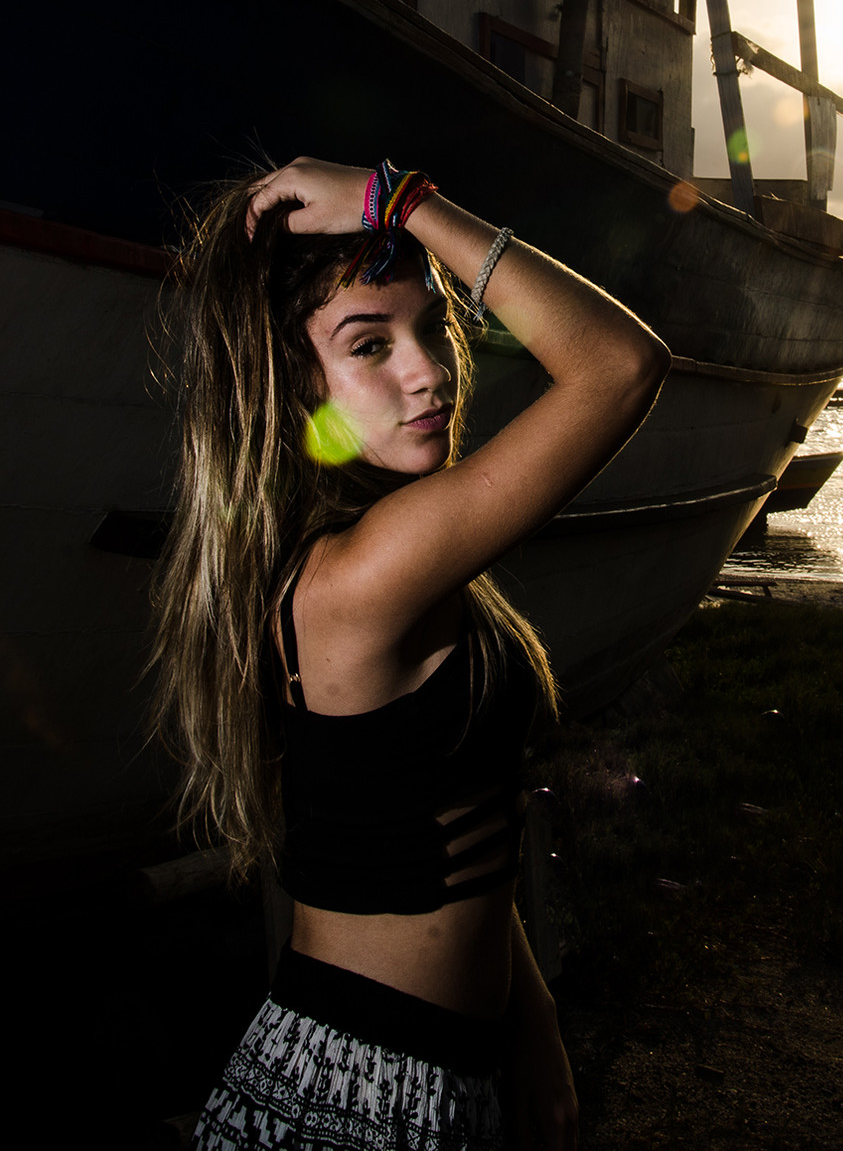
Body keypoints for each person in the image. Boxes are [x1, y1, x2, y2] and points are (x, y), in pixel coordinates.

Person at [152, 155, 670, 1150]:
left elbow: (453, 832)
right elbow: (621, 365)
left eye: (430, 327)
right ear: (294, 383)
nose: (426, 369)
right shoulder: (357, 576)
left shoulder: (384, 550)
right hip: (359, 1094)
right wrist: (407, 201)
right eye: (369, 345)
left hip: (431, 1071)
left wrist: (533, 1026)